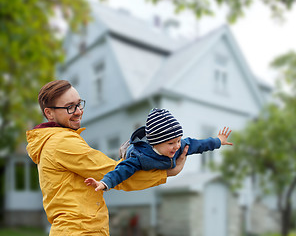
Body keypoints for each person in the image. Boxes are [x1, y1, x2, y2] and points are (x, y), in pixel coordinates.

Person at [26, 80, 188, 236]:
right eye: (70, 107)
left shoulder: (52, 141)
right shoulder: (61, 142)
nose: (78, 111)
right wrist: (166, 172)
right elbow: (115, 173)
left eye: (79, 104)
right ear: (49, 113)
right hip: (80, 231)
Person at [85, 108, 233, 191]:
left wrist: (218, 141)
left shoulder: (179, 146)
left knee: (188, 144)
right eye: (170, 143)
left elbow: (199, 145)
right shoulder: (140, 157)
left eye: (178, 140)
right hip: (133, 151)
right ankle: (126, 146)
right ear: (156, 143)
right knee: (126, 156)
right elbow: (122, 170)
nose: (176, 146)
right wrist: (105, 183)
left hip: (157, 155)